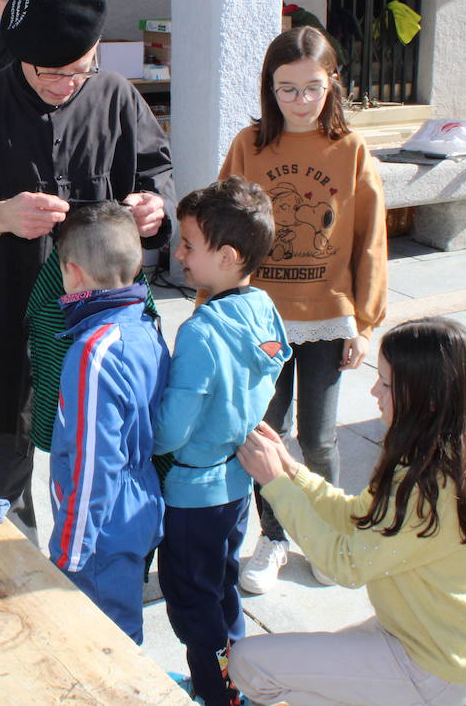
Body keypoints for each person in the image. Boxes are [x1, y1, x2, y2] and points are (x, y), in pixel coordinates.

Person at [0, 0, 174, 531]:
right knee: (2, 470)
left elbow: (160, 178)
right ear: (20, 56)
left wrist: (155, 210)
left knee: (103, 460)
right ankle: (12, 556)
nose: (64, 85)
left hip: (100, 325)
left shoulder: (117, 98)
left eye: (78, 71)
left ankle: (100, 556)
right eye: (50, 73)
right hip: (0, 316)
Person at [232, 316, 466, 706]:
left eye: (386, 384)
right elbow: (358, 516)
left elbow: (345, 564)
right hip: (433, 643)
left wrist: (276, 485)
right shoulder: (444, 457)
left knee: (249, 663)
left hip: (433, 666)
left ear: (428, 397)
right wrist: (291, 470)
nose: (373, 391)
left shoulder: (430, 485)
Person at [221, 26, 388, 595]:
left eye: (311, 88)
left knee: (318, 439)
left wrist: (364, 321)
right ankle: (273, 537)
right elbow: (223, 228)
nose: (299, 100)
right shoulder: (250, 144)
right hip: (261, 318)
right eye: (286, 89)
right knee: (267, 432)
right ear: (270, 88)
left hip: (326, 319)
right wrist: (214, 307)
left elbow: (370, 237)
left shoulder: (351, 149)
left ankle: (328, 535)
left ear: (332, 83)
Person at [153, 178, 290, 706]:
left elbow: (172, 430)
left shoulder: (201, 332)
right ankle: (240, 675)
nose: (178, 253)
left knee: (192, 602)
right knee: (222, 584)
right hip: (235, 486)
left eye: (189, 244)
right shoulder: (262, 308)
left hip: (192, 493)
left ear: (227, 256)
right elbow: (272, 366)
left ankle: (218, 691)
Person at [47, 202, 168, 644]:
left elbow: (93, 464)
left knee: (106, 641)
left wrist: (70, 552)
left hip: (101, 529)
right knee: (123, 622)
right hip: (135, 509)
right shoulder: (144, 327)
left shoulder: (93, 353)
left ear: (73, 274)